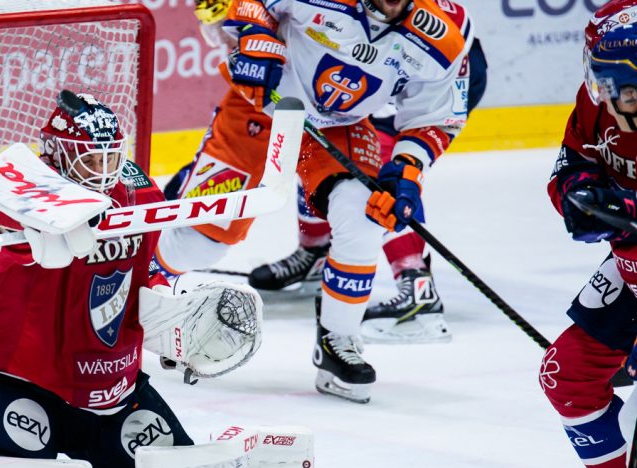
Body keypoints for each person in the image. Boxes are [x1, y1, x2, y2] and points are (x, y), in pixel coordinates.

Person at [0, 90, 263, 468]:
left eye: (110, 158)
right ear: (57, 154)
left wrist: (166, 313)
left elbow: (146, 268)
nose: (104, 170)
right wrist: (42, 224)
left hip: (103, 387)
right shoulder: (18, 191)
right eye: (91, 160)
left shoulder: (138, 192)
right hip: (12, 376)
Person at [158, 0, 472, 402]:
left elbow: (434, 117)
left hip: (341, 127)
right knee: (199, 241)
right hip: (261, 108)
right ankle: (138, 297)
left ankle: (338, 341)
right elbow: (249, 3)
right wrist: (256, 35)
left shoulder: (442, 37)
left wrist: (408, 167)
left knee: (363, 218)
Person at [541, 0, 637, 468]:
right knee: (567, 375)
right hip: (631, 264)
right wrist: (579, 198)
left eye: (621, 87)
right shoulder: (598, 99)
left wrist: (624, 208)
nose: (604, 93)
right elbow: (570, 165)